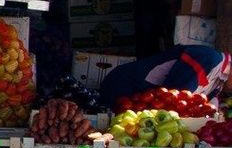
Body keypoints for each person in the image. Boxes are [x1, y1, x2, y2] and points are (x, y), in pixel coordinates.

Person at [99, 45, 232, 107]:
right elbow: (176, 98)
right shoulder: (209, 58)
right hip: (123, 87)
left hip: (139, 105)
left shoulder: (219, 83)